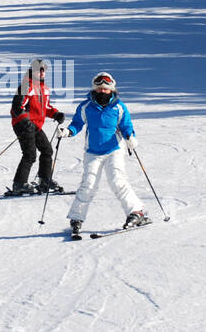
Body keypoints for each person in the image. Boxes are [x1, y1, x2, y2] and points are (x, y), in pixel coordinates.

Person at [58, 71, 148, 234]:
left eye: (106, 89)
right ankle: (76, 218)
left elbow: (127, 126)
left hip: (114, 149)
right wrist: (68, 132)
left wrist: (130, 137)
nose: (102, 91)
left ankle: (136, 212)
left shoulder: (119, 107)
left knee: (117, 180)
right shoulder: (86, 106)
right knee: (88, 184)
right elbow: (77, 123)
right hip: (92, 151)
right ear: (95, 89)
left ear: (112, 89)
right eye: (99, 88)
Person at [7, 57, 65, 196]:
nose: (42, 72)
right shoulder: (26, 85)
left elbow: (46, 108)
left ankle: (44, 180)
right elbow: (17, 107)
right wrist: (25, 121)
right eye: (39, 70)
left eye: (43, 70)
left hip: (35, 125)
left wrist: (56, 114)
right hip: (23, 125)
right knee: (30, 154)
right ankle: (19, 184)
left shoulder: (44, 89)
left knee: (47, 150)